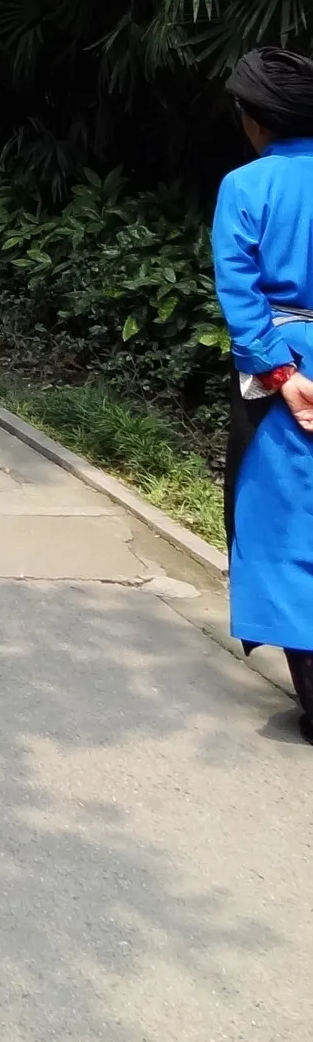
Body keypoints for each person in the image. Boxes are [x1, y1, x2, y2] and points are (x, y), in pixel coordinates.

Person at [215, 46, 313, 741]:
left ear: (255, 121)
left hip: (286, 371)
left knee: (283, 527)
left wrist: (284, 378)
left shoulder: (246, 188)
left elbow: (241, 297)